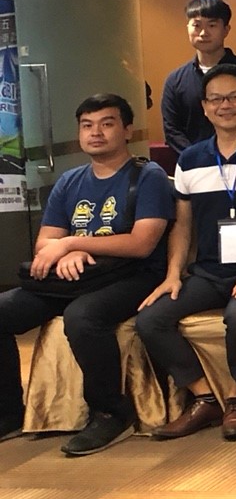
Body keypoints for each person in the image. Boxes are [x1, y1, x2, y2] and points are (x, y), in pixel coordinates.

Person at [0, 94, 172, 455]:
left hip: (134, 275)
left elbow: (142, 243)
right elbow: (46, 242)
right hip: (76, 276)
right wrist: (69, 250)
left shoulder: (148, 177)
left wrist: (74, 244)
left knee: (83, 316)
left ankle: (110, 412)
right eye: (87, 125)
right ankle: (9, 412)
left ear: (127, 130)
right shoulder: (70, 181)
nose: (96, 132)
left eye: (107, 124)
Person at [137, 64, 236, 441]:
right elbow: (182, 225)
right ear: (205, 107)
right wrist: (173, 274)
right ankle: (204, 398)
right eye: (216, 99)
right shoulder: (190, 159)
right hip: (208, 273)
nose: (226, 105)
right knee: (150, 319)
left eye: (235, 97)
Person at [160, 0, 236, 153]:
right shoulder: (175, 80)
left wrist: (231, 154)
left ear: (226, 30)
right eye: (197, 25)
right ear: (188, 28)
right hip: (193, 163)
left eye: (212, 25)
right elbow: (172, 130)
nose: (204, 33)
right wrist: (198, 157)